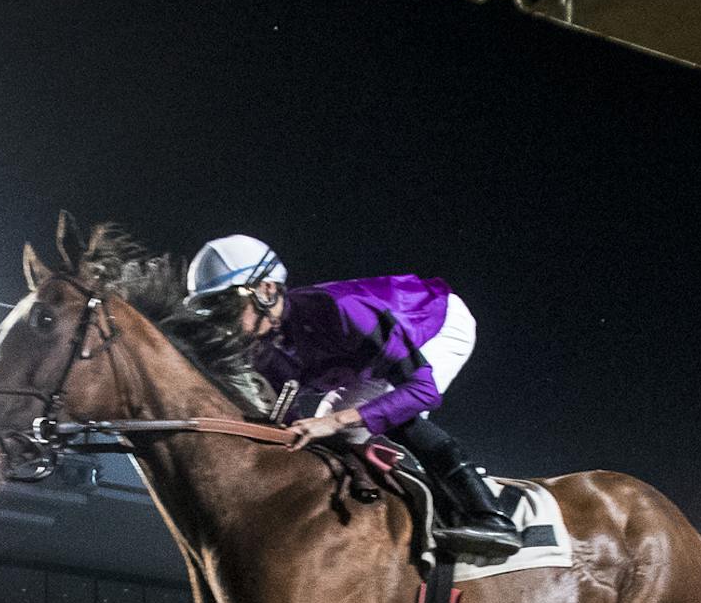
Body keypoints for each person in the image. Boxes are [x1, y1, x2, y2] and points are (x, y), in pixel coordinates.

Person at [184, 234, 519, 558]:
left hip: (438, 322)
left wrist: (333, 421)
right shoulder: (264, 351)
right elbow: (287, 430)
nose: (222, 325)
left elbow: (421, 391)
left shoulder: (342, 310)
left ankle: (488, 515)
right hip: (371, 361)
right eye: (212, 313)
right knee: (335, 433)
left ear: (266, 290)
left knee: (376, 417)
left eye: (226, 308)